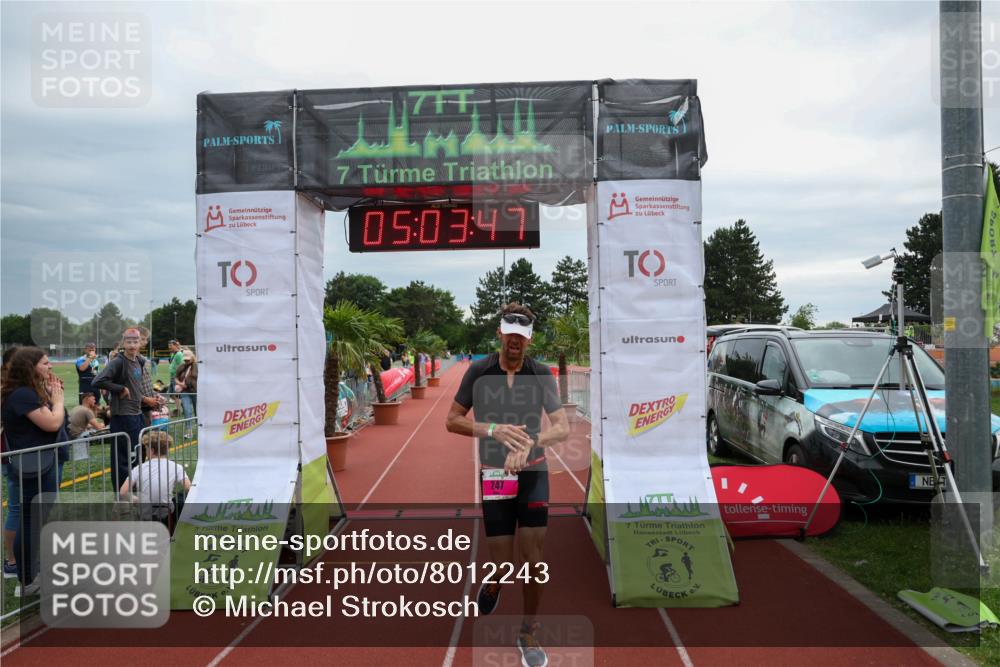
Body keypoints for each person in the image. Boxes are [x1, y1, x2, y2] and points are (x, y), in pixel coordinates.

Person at [445, 303, 569, 667]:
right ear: (499, 333)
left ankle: (528, 630)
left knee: (532, 560)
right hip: (494, 474)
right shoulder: (478, 371)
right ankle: (496, 579)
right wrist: (493, 430)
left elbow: (562, 427)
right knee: (504, 563)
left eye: (523, 335)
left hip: (533, 472)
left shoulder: (540, 373)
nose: (516, 340)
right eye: (510, 333)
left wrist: (531, 442)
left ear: (529, 340)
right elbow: (452, 420)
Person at [0, 347, 66, 595]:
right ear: (30, 367)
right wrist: (57, 402)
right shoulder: (22, 395)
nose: (50, 367)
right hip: (34, 465)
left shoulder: (26, 392)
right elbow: (52, 423)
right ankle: (27, 580)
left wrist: (51, 396)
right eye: (45, 363)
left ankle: (31, 574)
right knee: (30, 521)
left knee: (33, 520)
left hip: (40, 463)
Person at [93, 329, 162, 489]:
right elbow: (97, 381)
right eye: (129, 342)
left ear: (140, 343)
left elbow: (137, 388)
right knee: (124, 459)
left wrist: (151, 398)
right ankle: (123, 494)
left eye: (135, 342)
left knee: (137, 455)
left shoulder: (138, 361)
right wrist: (119, 388)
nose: (132, 345)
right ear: (123, 343)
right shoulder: (118, 361)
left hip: (137, 414)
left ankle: (135, 490)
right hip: (123, 416)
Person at [119, 430, 191, 529]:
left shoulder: (139, 468)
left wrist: (136, 499)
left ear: (151, 450)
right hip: (165, 514)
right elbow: (189, 488)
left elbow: (123, 492)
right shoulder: (176, 467)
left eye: (146, 448)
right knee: (179, 500)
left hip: (143, 514)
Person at [174, 348, 198, 422]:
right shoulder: (181, 366)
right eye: (185, 359)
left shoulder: (198, 366)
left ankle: (199, 425)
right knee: (187, 410)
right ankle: (188, 428)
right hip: (185, 391)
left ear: (192, 358)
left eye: (188, 359)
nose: (186, 361)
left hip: (196, 391)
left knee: (197, 409)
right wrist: (180, 383)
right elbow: (175, 378)